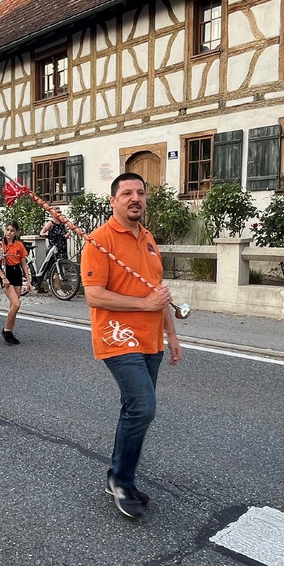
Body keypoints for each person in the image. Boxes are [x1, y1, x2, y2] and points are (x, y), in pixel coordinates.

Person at [81, 172, 182, 519]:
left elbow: (159, 292)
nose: (135, 198)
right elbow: (94, 295)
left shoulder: (149, 238)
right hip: (118, 338)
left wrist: (172, 334)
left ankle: (118, 476)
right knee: (143, 408)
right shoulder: (98, 240)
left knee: (134, 408)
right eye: (126, 193)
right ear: (113, 201)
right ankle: (122, 481)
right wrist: (145, 305)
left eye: (140, 192)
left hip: (151, 338)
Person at [0, 220, 33, 344]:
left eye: (12, 231)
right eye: (7, 230)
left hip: (16, 273)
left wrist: (28, 281)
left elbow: (24, 264)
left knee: (13, 307)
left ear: (16, 232)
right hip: (6, 273)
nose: (9, 233)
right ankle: (6, 330)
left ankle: (10, 331)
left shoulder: (19, 245)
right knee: (16, 304)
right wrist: (3, 277)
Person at [39, 207, 70, 292]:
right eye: (57, 212)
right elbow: (42, 232)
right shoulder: (50, 223)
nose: (59, 213)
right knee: (56, 269)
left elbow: (67, 232)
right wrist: (45, 236)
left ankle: (54, 285)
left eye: (60, 212)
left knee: (62, 268)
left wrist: (67, 235)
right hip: (54, 248)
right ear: (53, 214)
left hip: (62, 247)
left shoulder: (62, 223)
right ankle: (58, 289)